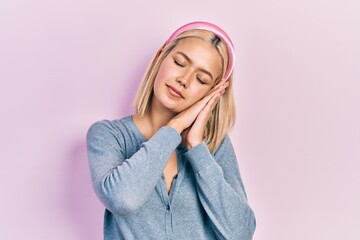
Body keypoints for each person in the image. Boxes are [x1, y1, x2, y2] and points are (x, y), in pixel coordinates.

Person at [86, 21, 256, 240]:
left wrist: (196, 148)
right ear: (160, 57)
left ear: (212, 93)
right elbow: (123, 199)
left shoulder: (214, 145)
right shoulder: (109, 135)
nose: (183, 80)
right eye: (179, 62)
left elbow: (241, 233)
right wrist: (173, 128)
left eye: (201, 79)